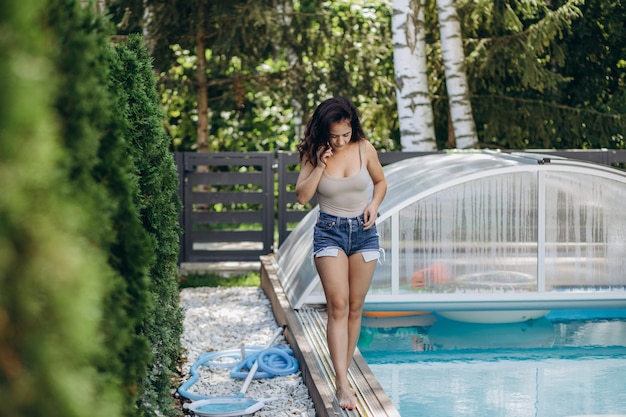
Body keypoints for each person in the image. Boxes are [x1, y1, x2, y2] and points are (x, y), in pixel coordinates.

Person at [295, 97, 387, 410]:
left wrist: (374, 205)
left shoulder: (364, 148)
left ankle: (342, 374)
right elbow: (302, 197)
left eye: (345, 134)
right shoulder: (313, 152)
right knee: (337, 304)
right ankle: (342, 383)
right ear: (324, 131)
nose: (340, 140)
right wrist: (320, 163)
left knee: (356, 306)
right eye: (334, 135)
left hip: (364, 234)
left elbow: (380, 181)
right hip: (329, 231)